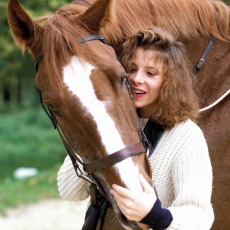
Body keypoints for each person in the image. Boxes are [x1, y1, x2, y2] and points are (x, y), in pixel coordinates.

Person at [57, 26, 214, 229]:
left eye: (150, 73)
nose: (137, 79)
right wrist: (94, 132)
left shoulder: (186, 136)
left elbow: (200, 218)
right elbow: (68, 191)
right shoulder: (108, 123)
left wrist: (154, 216)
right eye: (131, 69)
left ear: (170, 82)